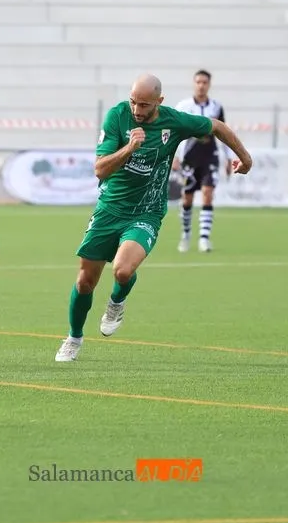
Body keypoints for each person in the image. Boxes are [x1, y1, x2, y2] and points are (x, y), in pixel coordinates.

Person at [54, 74, 253, 362]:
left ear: (159, 102)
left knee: (122, 270)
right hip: (110, 209)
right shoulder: (117, 117)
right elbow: (100, 169)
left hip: (147, 212)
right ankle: (74, 337)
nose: (137, 110)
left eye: (145, 105)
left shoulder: (173, 121)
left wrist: (245, 158)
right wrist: (129, 148)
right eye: (134, 102)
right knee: (85, 281)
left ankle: (116, 302)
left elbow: (217, 126)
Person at [172, 69, 233, 253]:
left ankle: (204, 238)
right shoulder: (183, 106)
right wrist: (174, 155)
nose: (201, 85)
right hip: (190, 156)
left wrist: (229, 158)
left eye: (204, 82)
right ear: (194, 83)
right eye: (198, 82)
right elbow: (173, 131)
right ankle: (186, 234)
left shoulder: (216, 107)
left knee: (208, 193)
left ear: (209, 85)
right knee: (187, 197)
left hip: (209, 154)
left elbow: (224, 133)